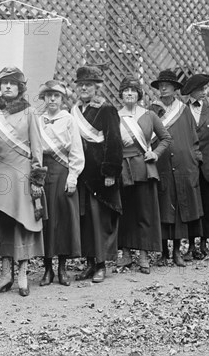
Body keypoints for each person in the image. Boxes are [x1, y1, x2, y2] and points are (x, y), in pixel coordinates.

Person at [0, 67, 47, 297]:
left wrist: (36, 178)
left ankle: (22, 274)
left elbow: (36, 147)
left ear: (20, 88)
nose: (8, 86)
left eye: (13, 83)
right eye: (4, 83)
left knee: (22, 225)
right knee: (1, 225)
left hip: (22, 174)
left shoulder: (30, 112)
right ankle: (5, 275)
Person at [70, 66, 123, 283]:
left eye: (89, 85)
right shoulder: (74, 111)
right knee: (86, 221)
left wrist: (110, 171)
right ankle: (89, 263)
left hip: (100, 176)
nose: (84, 88)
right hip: (82, 174)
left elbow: (114, 142)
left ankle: (102, 265)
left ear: (97, 88)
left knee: (100, 221)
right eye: (81, 85)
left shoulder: (107, 110)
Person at [115, 77, 172, 274]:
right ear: (121, 94)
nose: (129, 93)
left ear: (139, 94)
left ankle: (144, 254)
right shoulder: (114, 116)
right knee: (125, 212)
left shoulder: (149, 115)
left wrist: (155, 153)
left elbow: (165, 138)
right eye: (125, 90)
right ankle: (126, 253)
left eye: (133, 90)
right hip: (122, 169)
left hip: (145, 169)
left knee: (145, 212)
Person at [148, 68, 204, 267]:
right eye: (160, 86)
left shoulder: (184, 110)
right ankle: (163, 252)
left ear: (174, 89)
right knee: (163, 208)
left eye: (167, 86)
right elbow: (146, 136)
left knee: (180, 208)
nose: (163, 89)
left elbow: (193, 138)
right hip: (160, 165)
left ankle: (177, 252)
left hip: (182, 166)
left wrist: (194, 161)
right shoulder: (152, 111)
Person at [37, 80, 84, 286]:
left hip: (63, 172)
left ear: (62, 99)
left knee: (63, 219)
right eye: (48, 96)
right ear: (44, 99)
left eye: (56, 96)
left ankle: (62, 268)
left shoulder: (69, 120)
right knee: (46, 221)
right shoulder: (38, 120)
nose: (52, 99)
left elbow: (76, 150)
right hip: (44, 173)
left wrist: (73, 176)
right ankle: (47, 269)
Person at [181, 73, 209, 259]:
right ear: (191, 92)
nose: (204, 92)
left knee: (208, 204)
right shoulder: (181, 110)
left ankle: (204, 243)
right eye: (200, 89)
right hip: (189, 164)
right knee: (192, 205)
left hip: (208, 166)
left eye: (205, 89)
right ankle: (191, 245)